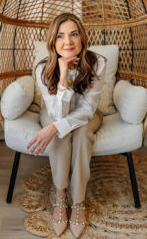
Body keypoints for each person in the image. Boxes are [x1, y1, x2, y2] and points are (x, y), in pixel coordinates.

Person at [27, 13, 106, 238]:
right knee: (61, 132)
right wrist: (63, 77)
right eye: (60, 36)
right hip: (52, 113)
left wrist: (54, 127)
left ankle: (78, 201)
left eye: (73, 34)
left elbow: (87, 110)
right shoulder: (42, 69)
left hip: (88, 115)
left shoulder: (97, 62)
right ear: (53, 42)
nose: (68, 42)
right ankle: (61, 197)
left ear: (82, 37)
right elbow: (57, 114)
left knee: (79, 134)